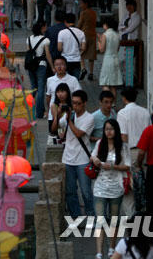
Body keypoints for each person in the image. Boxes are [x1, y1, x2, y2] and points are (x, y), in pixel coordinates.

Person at [91, 119, 130, 259]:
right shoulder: (99, 143)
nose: (109, 131)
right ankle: (99, 252)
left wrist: (112, 167)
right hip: (100, 187)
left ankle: (112, 247)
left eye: (111, 129)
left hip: (116, 187)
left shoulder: (123, 147)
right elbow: (92, 156)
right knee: (100, 219)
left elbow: (127, 166)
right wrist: (95, 160)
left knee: (114, 220)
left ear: (116, 130)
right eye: (106, 129)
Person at [59, 90, 95, 219]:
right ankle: (76, 217)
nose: (75, 106)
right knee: (70, 192)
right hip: (68, 159)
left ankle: (91, 216)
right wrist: (58, 115)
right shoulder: (69, 115)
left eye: (78, 103)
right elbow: (58, 131)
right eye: (73, 103)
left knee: (86, 192)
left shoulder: (89, 118)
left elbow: (79, 133)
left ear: (84, 103)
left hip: (82, 160)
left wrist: (69, 121)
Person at [117, 86, 151, 213]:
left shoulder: (122, 113)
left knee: (128, 190)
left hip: (129, 153)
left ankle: (130, 222)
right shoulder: (145, 112)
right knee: (142, 186)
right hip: (144, 152)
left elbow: (123, 137)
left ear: (124, 98)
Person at [26, 20, 54, 119]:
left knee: (33, 87)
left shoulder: (28, 39)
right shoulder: (45, 40)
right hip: (41, 65)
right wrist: (52, 67)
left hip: (30, 66)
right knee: (41, 89)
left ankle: (27, 107)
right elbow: (48, 55)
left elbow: (29, 53)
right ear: (42, 28)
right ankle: (39, 112)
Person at [45, 56, 81, 132]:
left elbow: (79, 96)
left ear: (66, 66)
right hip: (53, 115)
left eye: (62, 64)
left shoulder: (73, 79)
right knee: (54, 139)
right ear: (54, 67)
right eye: (57, 65)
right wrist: (49, 110)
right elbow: (48, 97)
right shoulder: (50, 80)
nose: (59, 67)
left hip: (69, 114)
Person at [98, 17, 122, 97]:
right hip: (115, 58)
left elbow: (101, 49)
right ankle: (113, 104)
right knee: (113, 84)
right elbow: (118, 49)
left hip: (108, 59)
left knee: (105, 82)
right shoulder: (117, 35)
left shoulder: (105, 35)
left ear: (107, 25)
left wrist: (99, 40)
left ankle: (106, 102)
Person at [57, 13, 86, 80]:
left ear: (65, 22)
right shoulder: (81, 33)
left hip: (65, 60)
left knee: (65, 81)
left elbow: (59, 48)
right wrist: (78, 53)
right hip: (76, 61)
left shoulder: (61, 33)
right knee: (75, 82)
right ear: (75, 21)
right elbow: (83, 48)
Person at [77, 0, 97, 80]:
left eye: (81, 3)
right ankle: (91, 73)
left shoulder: (83, 13)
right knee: (91, 55)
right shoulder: (94, 13)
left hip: (84, 35)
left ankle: (83, 68)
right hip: (92, 34)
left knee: (81, 52)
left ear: (86, 4)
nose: (80, 5)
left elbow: (79, 24)